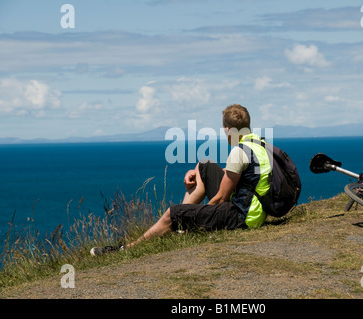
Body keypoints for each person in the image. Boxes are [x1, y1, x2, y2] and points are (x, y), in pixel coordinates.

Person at [91, 104, 272, 256]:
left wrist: (193, 216)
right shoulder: (260, 145)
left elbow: (221, 199)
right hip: (255, 212)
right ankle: (179, 227)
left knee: (173, 212)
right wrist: (194, 172)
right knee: (205, 164)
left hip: (241, 217)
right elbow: (243, 174)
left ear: (227, 129)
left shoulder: (238, 152)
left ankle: (126, 249)